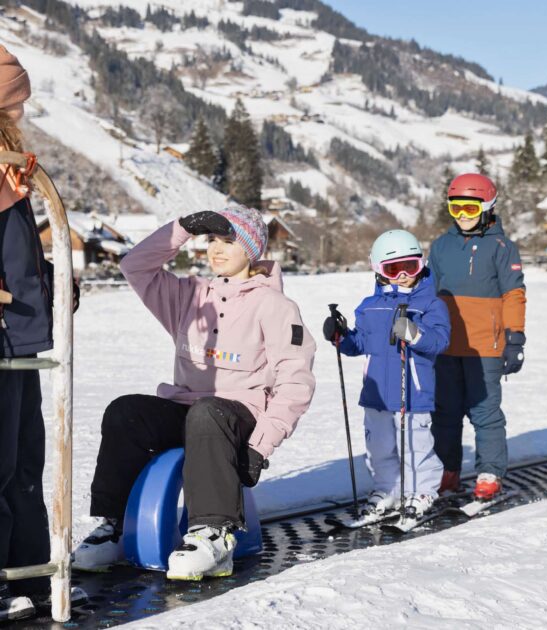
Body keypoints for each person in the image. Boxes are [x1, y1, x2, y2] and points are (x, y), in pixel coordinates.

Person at [73, 206, 316, 581]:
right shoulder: (189, 296)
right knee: (126, 412)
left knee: (208, 412)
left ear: (252, 249)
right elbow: (134, 266)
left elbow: (296, 381)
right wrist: (182, 229)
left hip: (238, 416)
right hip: (188, 409)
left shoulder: (275, 306)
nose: (216, 250)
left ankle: (213, 535)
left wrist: (260, 446)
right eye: (212, 240)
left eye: (228, 241)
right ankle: (120, 527)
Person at [0, 45, 81, 622]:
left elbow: (18, 253)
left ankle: (27, 570)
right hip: (3, 335)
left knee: (25, 464)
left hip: (24, 335)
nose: (22, 113)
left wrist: (54, 284)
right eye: (14, 102)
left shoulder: (12, 164)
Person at [323, 230, 450, 522]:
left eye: (411, 266)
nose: (403, 274)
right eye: (393, 269)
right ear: (379, 270)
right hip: (377, 391)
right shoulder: (370, 306)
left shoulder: (431, 304)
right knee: (378, 446)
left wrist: (415, 333)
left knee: (415, 446)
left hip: (413, 393)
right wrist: (340, 337)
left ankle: (422, 491)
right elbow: (361, 344)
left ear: (421, 264)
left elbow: (440, 341)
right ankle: (387, 489)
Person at [428, 173, 526, 500]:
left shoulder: (502, 247)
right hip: (445, 345)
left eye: (470, 209)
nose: (463, 217)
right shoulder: (441, 246)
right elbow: (428, 293)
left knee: (484, 411)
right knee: (445, 412)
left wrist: (515, 337)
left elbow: (514, 293)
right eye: (456, 209)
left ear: (487, 206)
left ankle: (489, 471)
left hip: (486, 345)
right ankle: (448, 470)